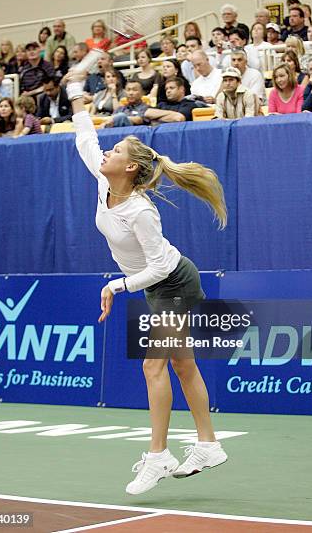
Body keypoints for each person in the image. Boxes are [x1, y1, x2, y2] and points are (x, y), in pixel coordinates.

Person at [64, 70, 228, 495]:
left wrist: (116, 285)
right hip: (158, 286)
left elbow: (157, 267)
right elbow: (84, 139)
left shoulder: (140, 211)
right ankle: (208, 444)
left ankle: (158, 456)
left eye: (115, 149)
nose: (106, 152)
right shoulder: (104, 181)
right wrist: (75, 92)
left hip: (173, 283)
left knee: (154, 364)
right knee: (181, 364)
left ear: (130, 166)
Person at [101, 80, 185, 127]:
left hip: (135, 136)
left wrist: (121, 118)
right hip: (117, 135)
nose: (131, 93)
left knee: (121, 116)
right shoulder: (120, 109)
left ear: (142, 93)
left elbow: (139, 119)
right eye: (128, 90)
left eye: (134, 90)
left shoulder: (146, 108)